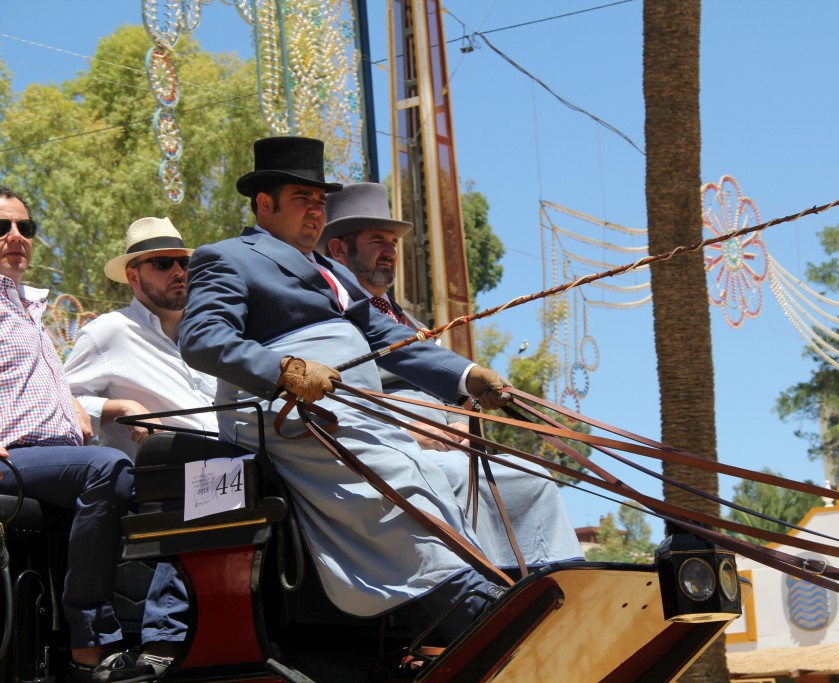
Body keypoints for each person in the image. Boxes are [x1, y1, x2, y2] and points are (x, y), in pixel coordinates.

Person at [178, 137, 514, 644]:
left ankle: (530, 580)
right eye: (301, 200)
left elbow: (391, 341)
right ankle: (468, 600)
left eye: (320, 202)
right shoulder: (227, 257)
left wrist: (466, 377)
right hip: (285, 410)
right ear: (264, 204)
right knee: (397, 471)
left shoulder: (333, 273)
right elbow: (203, 339)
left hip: (355, 409)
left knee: (488, 478)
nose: (315, 213)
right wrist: (283, 370)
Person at [317, 182, 582, 568]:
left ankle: (562, 580)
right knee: (460, 477)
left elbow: (453, 392)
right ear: (339, 249)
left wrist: (460, 424)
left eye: (393, 242)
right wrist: (411, 431)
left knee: (533, 478)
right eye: (377, 241)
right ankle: (498, 589)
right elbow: (342, 396)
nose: (390, 251)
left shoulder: (413, 325)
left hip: (449, 448)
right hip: (388, 450)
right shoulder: (329, 318)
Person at [0, 186, 156, 683]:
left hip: (57, 459)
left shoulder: (29, 312)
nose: (16, 237)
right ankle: (91, 645)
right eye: (2, 227)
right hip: (14, 459)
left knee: (166, 493)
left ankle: (165, 636)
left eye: (26, 228)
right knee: (107, 468)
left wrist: (71, 404)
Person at [64, 217, 216, 675]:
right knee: (212, 476)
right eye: (163, 263)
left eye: (184, 262)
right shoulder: (109, 331)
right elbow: (63, 400)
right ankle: (165, 641)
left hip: (224, 457)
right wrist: (116, 406)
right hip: (157, 476)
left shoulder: (208, 332)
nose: (179, 271)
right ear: (134, 275)